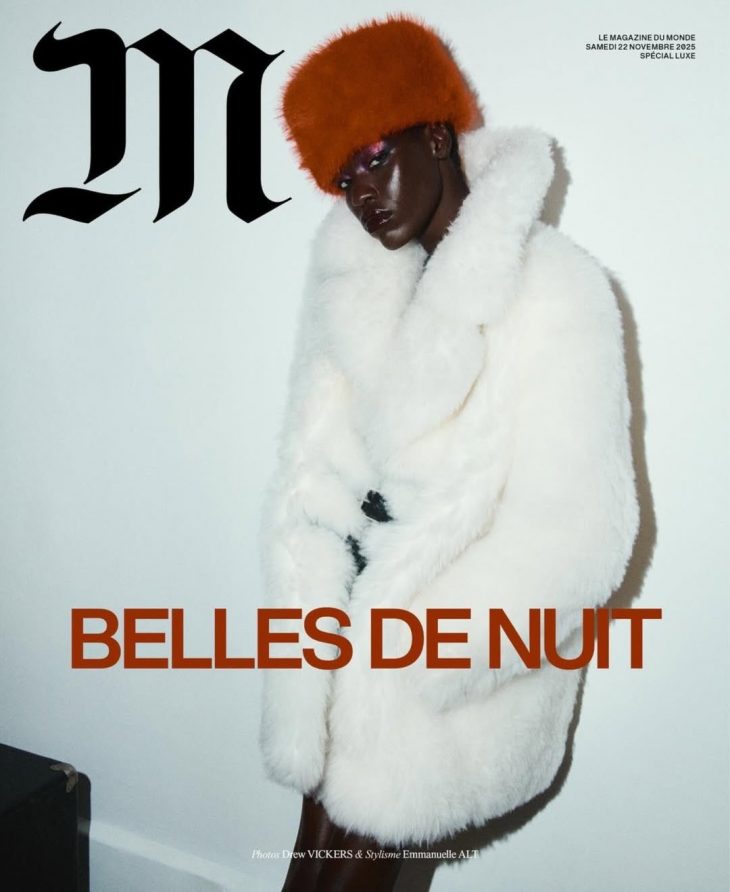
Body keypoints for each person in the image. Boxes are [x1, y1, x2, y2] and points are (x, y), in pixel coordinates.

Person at [260, 15, 638, 892]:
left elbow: (580, 534)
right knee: (309, 872)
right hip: (341, 641)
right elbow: (310, 474)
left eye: (374, 158)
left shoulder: (556, 289)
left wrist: (419, 657)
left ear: (435, 136)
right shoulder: (353, 286)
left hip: (440, 670)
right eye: (345, 177)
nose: (363, 195)